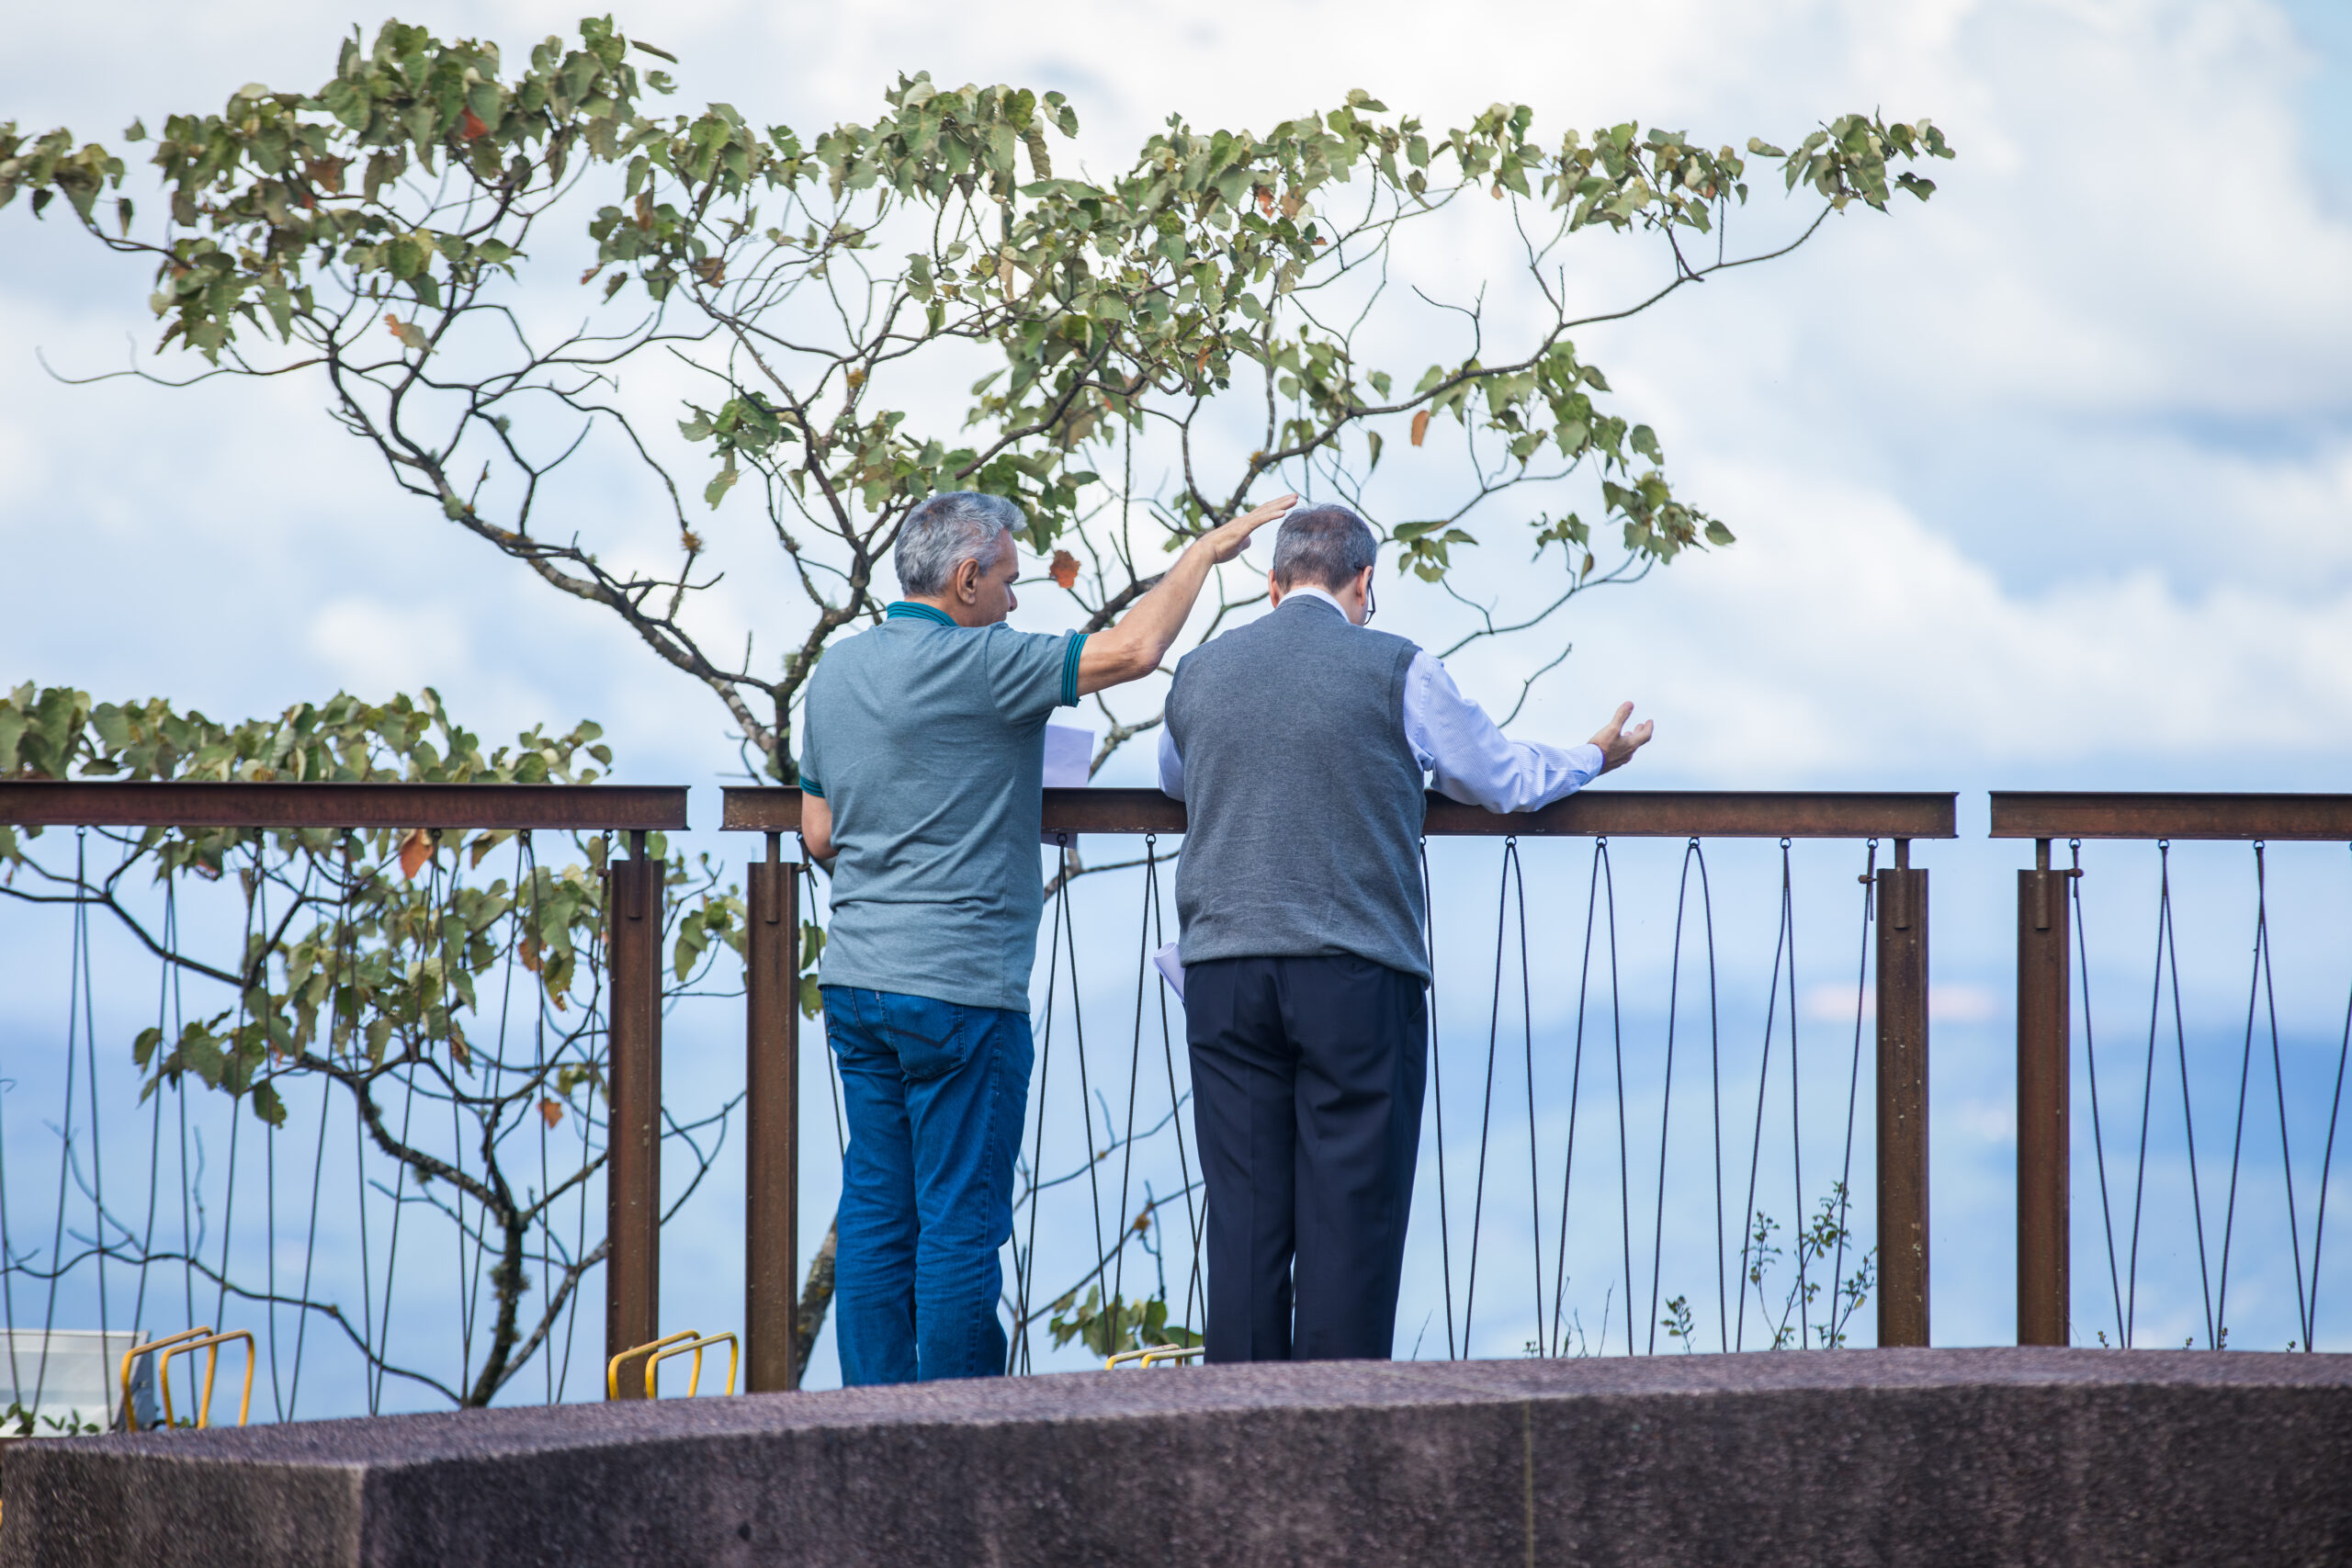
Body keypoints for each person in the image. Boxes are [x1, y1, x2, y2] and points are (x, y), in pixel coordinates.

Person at [797, 487, 1295, 1384]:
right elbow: (1137, 650)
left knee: (875, 1207)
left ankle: (863, 1422)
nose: (1016, 602)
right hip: (959, 990)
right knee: (958, 1220)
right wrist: (1203, 555)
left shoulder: (835, 671)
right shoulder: (983, 663)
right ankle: (958, 1434)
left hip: (855, 982)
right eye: (1008, 582)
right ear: (964, 579)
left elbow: (820, 834)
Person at [1157, 502, 1652, 1363]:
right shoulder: (1398, 669)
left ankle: (1232, 1445)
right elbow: (1498, 778)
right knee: (1352, 1220)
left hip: (1223, 970)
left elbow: (1174, 777)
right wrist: (1592, 757)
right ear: (1364, 583)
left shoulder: (1199, 672)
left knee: (1242, 1219)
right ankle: (1341, 1449)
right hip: (1352, 971)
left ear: (1272, 586)